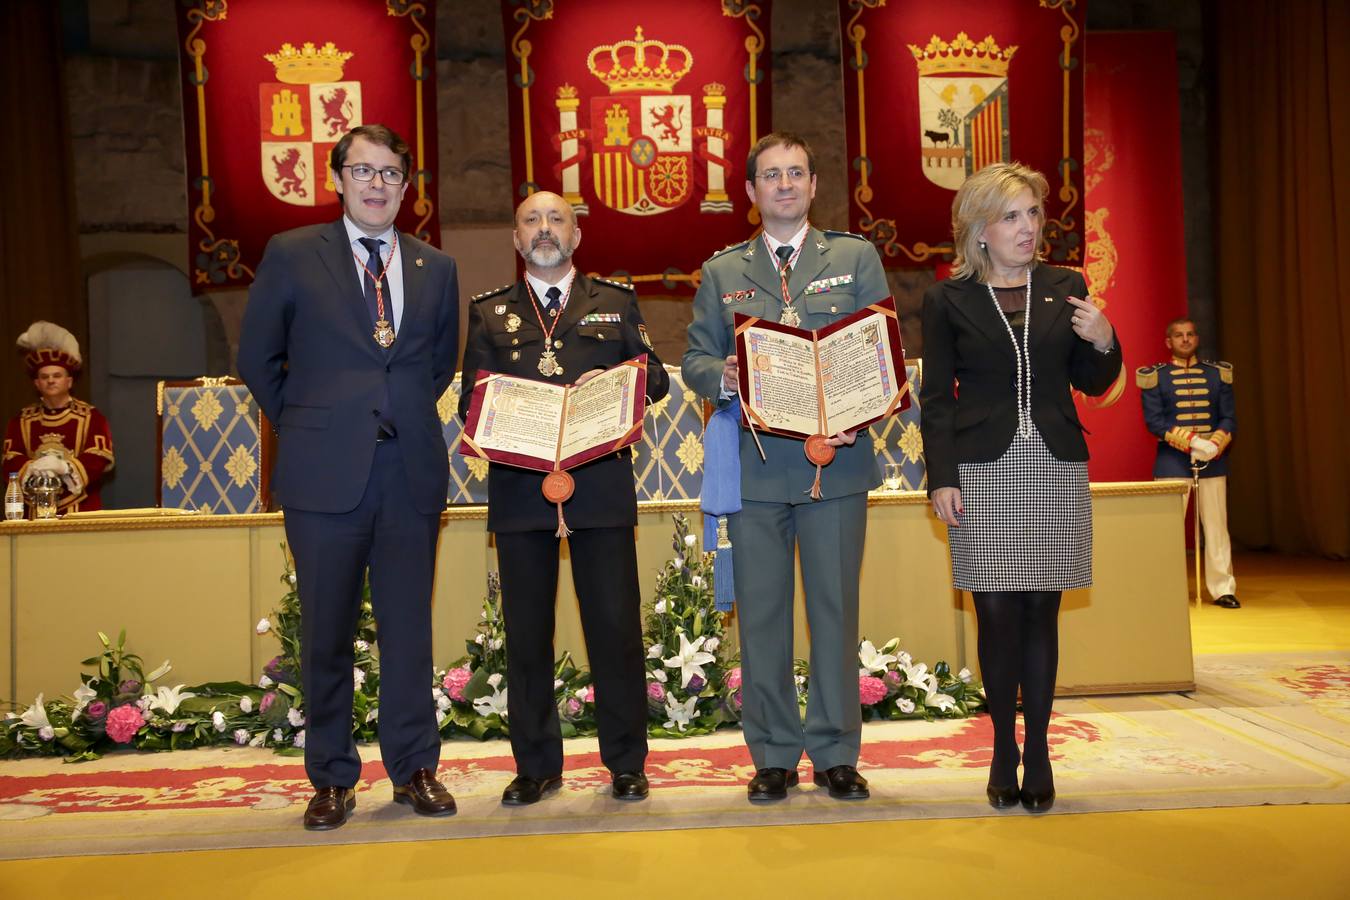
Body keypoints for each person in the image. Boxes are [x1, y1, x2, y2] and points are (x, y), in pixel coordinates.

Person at [237, 124, 460, 831]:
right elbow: (257, 358)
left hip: (409, 474)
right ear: (337, 178)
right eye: (362, 171)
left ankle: (414, 769)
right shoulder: (294, 254)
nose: (375, 184)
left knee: (408, 630)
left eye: (390, 174)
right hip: (322, 477)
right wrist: (311, 421)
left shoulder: (436, 267)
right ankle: (331, 776)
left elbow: (436, 370)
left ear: (406, 186)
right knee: (327, 631)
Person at [682, 132, 889, 804]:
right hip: (758, 469)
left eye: (796, 173)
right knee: (764, 616)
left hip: (837, 466)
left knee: (834, 611)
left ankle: (834, 753)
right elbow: (695, 362)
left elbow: (879, 349)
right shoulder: (722, 272)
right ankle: (772, 753)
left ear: (813, 184)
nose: (785, 185)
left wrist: (864, 398)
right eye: (771, 176)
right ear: (749, 191)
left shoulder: (854, 258)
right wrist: (728, 376)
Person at [919, 162, 1122, 814]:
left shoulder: (1067, 287)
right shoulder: (947, 299)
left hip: (1054, 466)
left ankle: (1038, 751)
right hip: (980, 470)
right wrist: (941, 478)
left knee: (1041, 611)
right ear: (980, 229)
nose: (1028, 227)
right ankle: (1003, 746)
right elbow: (935, 401)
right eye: (1012, 216)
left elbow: (1094, 381)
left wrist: (1106, 340)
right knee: (996, 613)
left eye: (1033, 214)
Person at [458, 191, 668, 805]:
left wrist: (618, 381)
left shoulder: (615, 302)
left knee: (615, 629)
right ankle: (537, 765)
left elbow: (654, 377)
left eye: (557, 220)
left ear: (576, 236)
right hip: (522, 490)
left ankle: (626, 762)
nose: (544, 229)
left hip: (600, 484)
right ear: (517, 239)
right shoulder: (489, 312)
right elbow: (474, 396)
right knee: (527, 634)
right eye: (531, 220)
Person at [1138, 319, 1239, 608]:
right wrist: (1194, 441)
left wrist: (1214, 444)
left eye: (1190, 334)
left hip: (1213, 459)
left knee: (1217, 525)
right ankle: (1164, 588)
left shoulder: (1217, 374)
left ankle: (1223, 588)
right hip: (1172, 458)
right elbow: (1155, 422)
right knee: (1167, 528)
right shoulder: (1155, 376)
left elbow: (1229, 418)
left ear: (1197, 338)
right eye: (1178, 336)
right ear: (1168, 342)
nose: (1185, 340)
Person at [3, 322, 114, 513]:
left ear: (69, 381)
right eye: (44, 377)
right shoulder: (21, 420)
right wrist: (30, 467)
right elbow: (9, 458)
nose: (51, 380)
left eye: (57, 375)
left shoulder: (91, 417)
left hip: (81, 511)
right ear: (37, 383)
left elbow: (99, 457)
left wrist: (65, 467)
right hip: (33, 512)